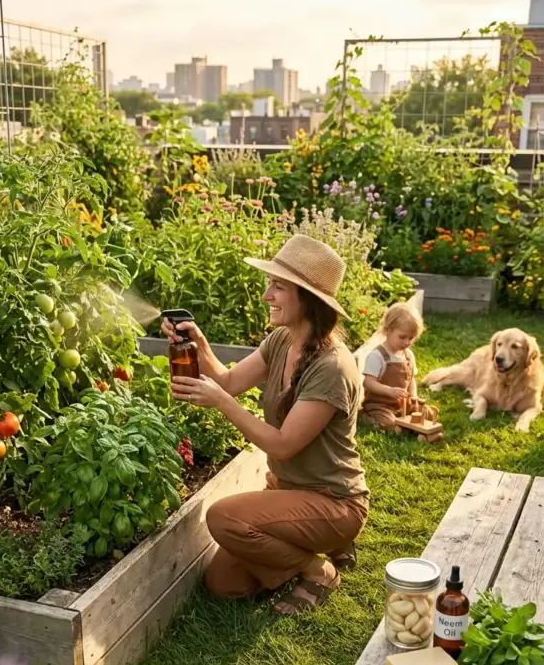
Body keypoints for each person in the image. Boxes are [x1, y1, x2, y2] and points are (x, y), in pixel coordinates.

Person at [163, 234, 369, 615]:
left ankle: (318, 569)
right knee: (225, 585)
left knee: (222, 517)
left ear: (307, 299)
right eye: (269, 284)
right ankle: (302, 548)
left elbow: (283, 445)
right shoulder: (281, 341)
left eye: (278, 287)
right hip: (286, 490)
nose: (266, 295)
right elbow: (230, 382)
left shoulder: (332, 367)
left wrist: (223, 404)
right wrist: (200, 344)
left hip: (332, 500)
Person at [361, 302, 425, 430]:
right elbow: (368, 382)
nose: (407, 342)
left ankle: (403, 420)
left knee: (423, 412)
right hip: (379, 405)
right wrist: (389, 391)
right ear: (387, 330)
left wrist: (413, 397)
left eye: (411, 338)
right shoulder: (377, 356)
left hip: (402, 404)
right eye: (402, 337)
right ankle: (366, 417)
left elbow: (411, 379)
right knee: (389, 424)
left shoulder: (408, 355)